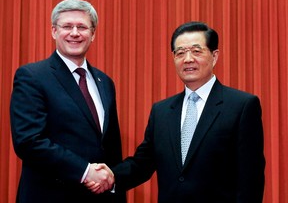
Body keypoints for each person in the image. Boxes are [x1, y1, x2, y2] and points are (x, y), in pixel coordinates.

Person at [87, 21, 265, 202]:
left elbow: (250, 178)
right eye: (180, 53)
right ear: (174, 58)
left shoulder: (241, 106)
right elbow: (142, 163)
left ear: (214, 56)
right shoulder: (162, 111)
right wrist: (111, 176)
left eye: (196, 51)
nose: (188, 59)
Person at [10, 0, 126, 203]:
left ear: (93, 34)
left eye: (82, 27)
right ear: (54, 31)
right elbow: (28, 141)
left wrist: (114, 185)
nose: (74, 33)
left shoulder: (105, 82)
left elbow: (111, 148)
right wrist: (85, 171)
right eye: (67, 26)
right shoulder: (32, 76)